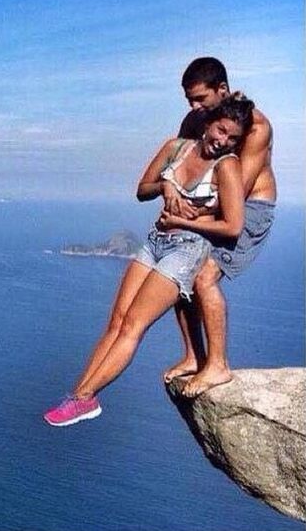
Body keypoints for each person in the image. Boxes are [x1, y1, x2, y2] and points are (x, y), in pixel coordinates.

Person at [43, 94, 254, 427]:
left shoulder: (226, 166)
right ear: (209, 124)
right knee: (116, 321)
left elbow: (233, 226)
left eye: (232, 138)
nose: (223, 141)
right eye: (221, 130)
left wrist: (181, 221)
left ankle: (84, 398)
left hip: (186, 250)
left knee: (133, 326)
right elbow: (142, 190)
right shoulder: (176, 148)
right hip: (155, 241)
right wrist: (166, 186)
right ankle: (78, 395)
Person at [162, 58, 276, 397]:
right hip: (207, 205)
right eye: (189, 100)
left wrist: (188, 214)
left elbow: (236, 194)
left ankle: (218, 365)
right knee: (178, 267)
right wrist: (170, 191)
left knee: (204, 276)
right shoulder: (195, 120)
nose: (194, 107)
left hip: (249, 207)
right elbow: (177, 164)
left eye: (200, 98)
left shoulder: (256, 128)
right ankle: (194, 356)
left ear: (222, 90)